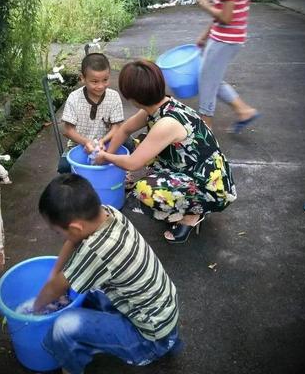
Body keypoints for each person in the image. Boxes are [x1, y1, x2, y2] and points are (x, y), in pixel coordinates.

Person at [33, 173, 180, 374]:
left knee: (63, 327)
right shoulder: (108, 213)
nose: (59, 237)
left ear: (76, 227)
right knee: (85, 284)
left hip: (150, 340)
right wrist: (54, 274)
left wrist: (35, 309)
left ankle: (71, 367)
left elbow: (54, 288)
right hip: (163, 315)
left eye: (58, 232)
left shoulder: (97, 251)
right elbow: (73, 241)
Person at [95, 60, 236, 244]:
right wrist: (108, 157)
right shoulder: (159, 106)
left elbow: (132, 163)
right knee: (143, 142)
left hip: (211, 185)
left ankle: (193, 214)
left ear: (133, 98)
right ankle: (184, 196)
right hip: (193, 168)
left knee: (144, 190)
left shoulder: (166, 123)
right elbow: (124, 130)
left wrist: (105, 156)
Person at [195, 0, 260, 132]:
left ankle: (206, 129)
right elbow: (224, 13)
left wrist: (205, 4)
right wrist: (205, 35)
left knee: (206, 82)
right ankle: (244, 111)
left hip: (225, 39)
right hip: (226, 38)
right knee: (212, 78)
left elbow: (226, 17)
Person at [58, 51, 125, 173]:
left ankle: (123, 175)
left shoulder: (113, 96)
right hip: (78, 144)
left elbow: (117, 127)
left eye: (105, 80)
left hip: (107, 143)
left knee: (127, 143)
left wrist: (103, 141)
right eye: (94, 81)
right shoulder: (74, 98)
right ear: (82, 78)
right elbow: (68, 130)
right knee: (64, 167)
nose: (100, 86)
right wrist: (86, 142)